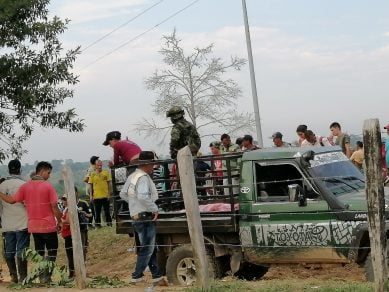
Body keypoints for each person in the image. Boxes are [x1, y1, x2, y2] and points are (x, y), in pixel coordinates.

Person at [0, 161, 62, 284]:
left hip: (34, 226)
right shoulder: (48, 186)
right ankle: (46, 276)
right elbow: (54, 206)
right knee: (52, 250)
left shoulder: (25, 186)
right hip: (48, 225)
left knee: (39, 252)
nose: (49, 175)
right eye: (48, 173)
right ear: (42, 171)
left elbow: (11, 200)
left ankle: (36, 275)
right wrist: (59, 220)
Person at [123, 151, 167, 286]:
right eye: (152, 163)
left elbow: (123, 194)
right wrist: (154, 208)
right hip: (145, 215)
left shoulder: (133, 176)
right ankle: (136, 275)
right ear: (147, 164)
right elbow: (143, 196)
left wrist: (133, 204)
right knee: (147, 248)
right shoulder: (143, 177)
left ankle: (157, 276)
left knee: (149, 247)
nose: (153, 166)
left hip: (136, 215)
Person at [0, 159, 29, 283]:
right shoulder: (24, 185)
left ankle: (13, 276)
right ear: (20, 169)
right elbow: (28, 204)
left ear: (8, 170)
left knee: (9, 251)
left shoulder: (1, 185)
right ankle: (23, 277)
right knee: (22, 250)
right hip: (23, 222)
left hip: (7, 223)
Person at [88, 159, 112, 227]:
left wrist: (109, 194)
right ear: (95, 166)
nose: (99, 167)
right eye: (98, 165)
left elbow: (109, 184)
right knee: (97, 212)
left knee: (107, 211)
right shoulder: (92, 174)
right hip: (96, 196)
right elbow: (90, 185)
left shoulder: (106, 172)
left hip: (105, 195)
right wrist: (91, 196)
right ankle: (98, 225)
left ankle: (109, 223)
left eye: (101, 165)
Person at [84, 155, 99, 228]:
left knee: (94, 207)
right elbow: (86, 179)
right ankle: (93, 223)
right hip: (91, 189)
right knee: (94, 207)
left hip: (93, 189)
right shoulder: (92, 169)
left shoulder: (94, 168)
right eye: (97, 160)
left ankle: (92, 223)